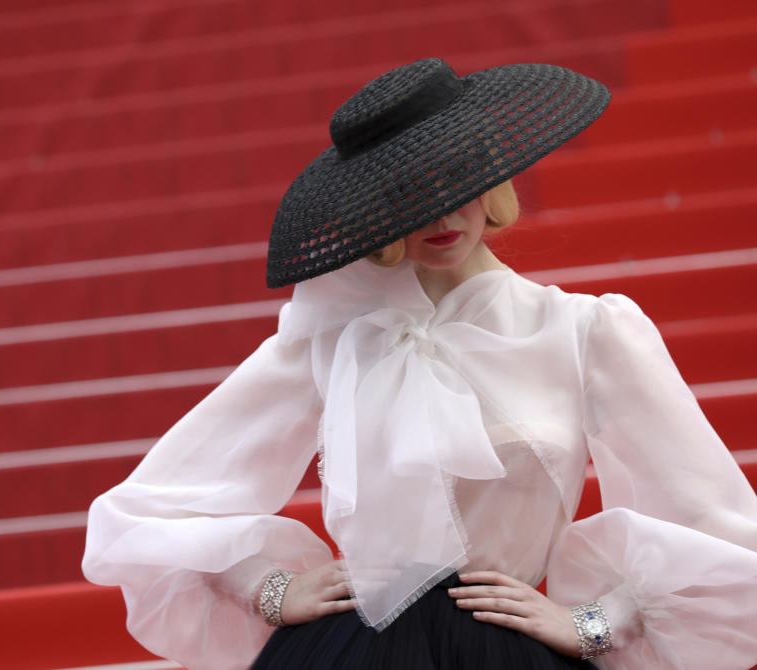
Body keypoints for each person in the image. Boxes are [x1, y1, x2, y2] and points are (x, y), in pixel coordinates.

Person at [81, 58, 757, 670]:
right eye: (406, 190)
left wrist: (593, 623)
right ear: (371, 208)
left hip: (505, 649)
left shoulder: (588, 332)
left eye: (455, 176)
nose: (436, 208)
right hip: (346, 647)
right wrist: (270, 588)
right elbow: (155, 507)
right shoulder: (330, 336)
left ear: (493, 174)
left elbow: (714, 521)